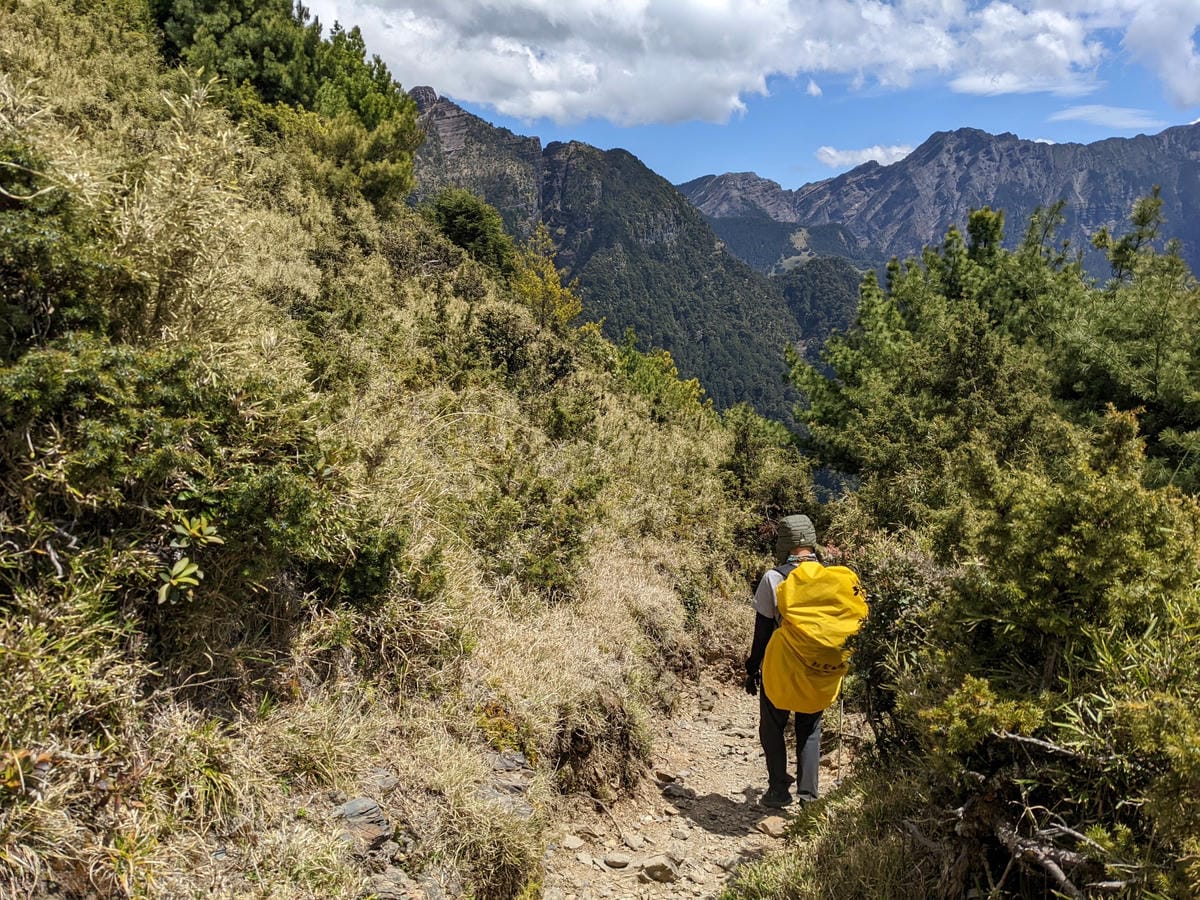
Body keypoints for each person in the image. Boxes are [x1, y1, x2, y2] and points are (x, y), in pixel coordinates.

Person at [744, 514, 866, 809]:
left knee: (772, 725)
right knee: (810, 728)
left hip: (782, 665)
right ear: (811, 542)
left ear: (785, 542)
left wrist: (752, 669)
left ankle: (777, 790)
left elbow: (762, 633)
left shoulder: (774, 577)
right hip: (821, 668)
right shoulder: (834, 578)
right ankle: (809, 798)